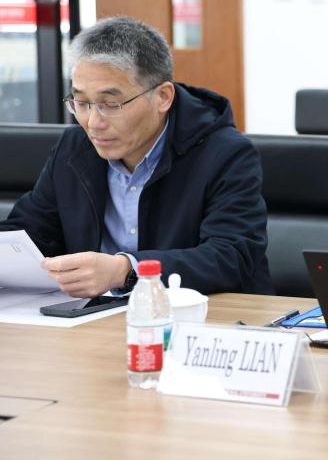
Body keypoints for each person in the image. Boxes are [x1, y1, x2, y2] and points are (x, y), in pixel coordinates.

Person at [2, 16, 272, 296]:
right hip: (96, 316)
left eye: (111, 104)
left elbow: (232, 257)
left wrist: (126, 270)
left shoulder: (225, 154)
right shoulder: (74, 148)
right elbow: (29, 234)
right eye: (81, 102)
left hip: (200, 315)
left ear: (163, 97)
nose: (93, 122)